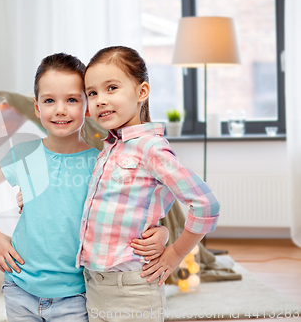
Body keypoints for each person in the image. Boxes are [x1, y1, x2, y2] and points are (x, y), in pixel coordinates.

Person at [0, 53, 169, 322]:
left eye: (72, 100)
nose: (60, 109)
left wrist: (162, 233)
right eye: (49, 100)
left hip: (76, 296)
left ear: (87, 107)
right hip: (18, 289)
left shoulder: (102, 163)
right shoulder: (23, 154)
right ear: (37, 108)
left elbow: (131, 213)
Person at [78, 46, 220, 322]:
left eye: (112, 88)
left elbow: (206, 205)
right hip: (94, 285)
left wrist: (175, 253)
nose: (100, 100)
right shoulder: (109, 148)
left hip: (132, 288)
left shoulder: (151, 149)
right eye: (92, 93)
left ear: (141, 92)